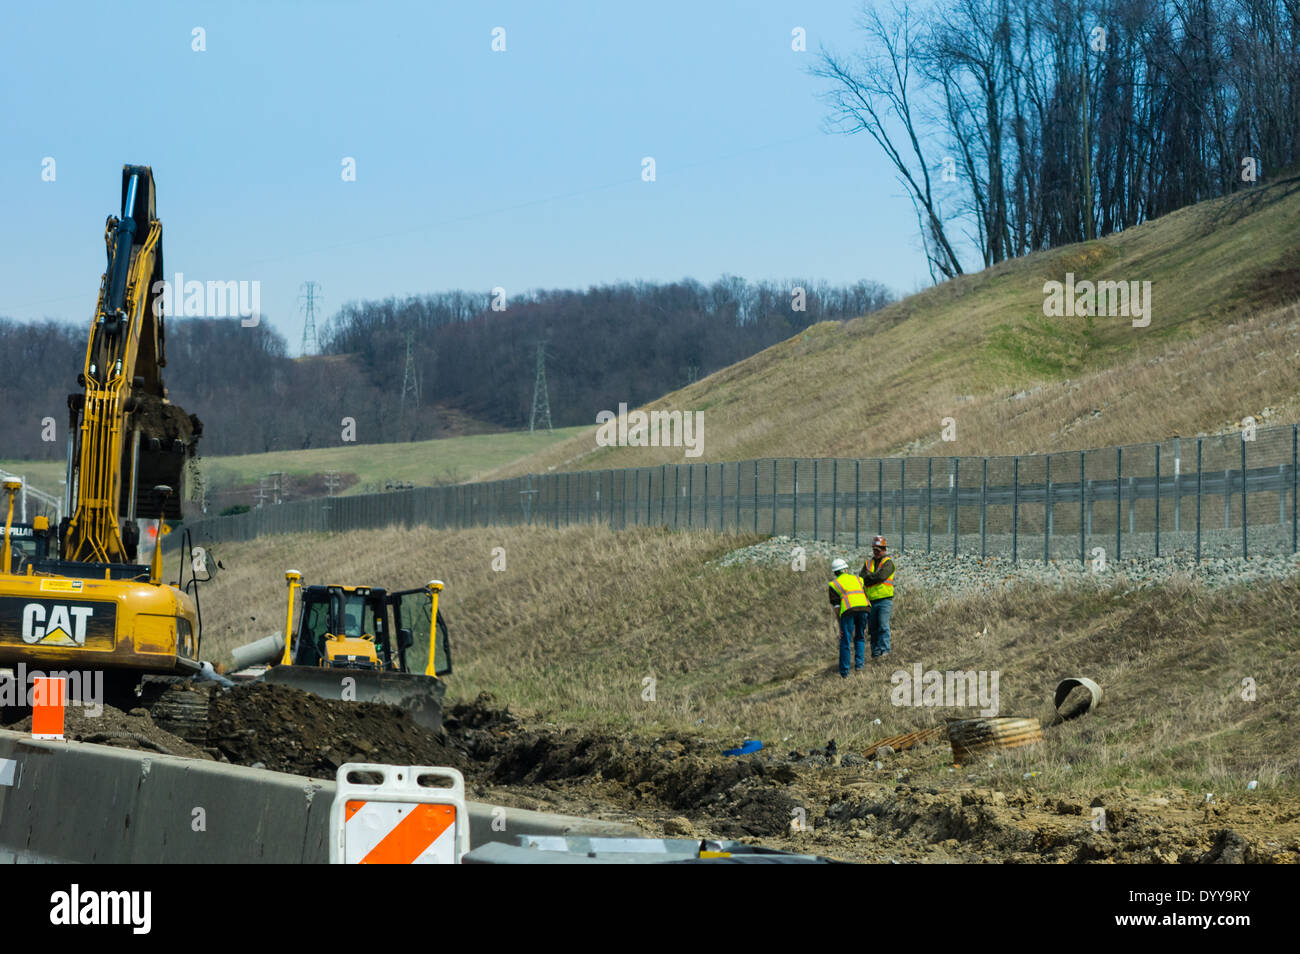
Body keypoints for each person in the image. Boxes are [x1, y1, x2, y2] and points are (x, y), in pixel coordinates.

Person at [827, 557, 870, 677]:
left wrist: (840, 623)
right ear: (846, 569)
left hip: (848, 610)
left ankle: (845, 672)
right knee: (860, 636)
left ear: (835, 573)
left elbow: (836, 607)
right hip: (864, 608)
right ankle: (859, 665)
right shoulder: (858, 579)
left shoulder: (834, 584)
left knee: (845, 640)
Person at [860, 536, 896, 660]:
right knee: (873, 628)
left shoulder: (888, 563)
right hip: (871, 601)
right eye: (874, 549)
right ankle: (875, 653)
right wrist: (871, 577)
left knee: (883, 626)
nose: (876, 551)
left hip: (884, 600)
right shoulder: (868, 563)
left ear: (884, 549)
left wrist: (870, 578)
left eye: (878, 549)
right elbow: (862, 578)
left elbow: (881, 577)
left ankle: (885, 651)